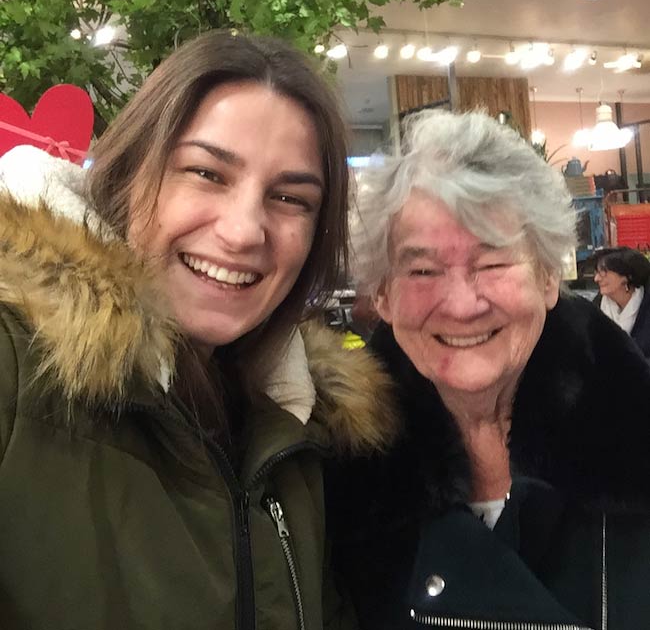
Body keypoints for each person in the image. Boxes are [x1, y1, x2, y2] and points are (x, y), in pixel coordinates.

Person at [0, 31, 397, 629]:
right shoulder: (14, 360)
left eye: (290, 197)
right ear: (129, 175)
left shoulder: (297, 426)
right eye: (207, 173)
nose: (244, 231)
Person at [327, 109, 650, 630]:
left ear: (549, 277)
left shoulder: (633, 446)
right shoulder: (335, 485)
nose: (461, 304)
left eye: (493, 262)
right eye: (423, 270)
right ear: (382, 297)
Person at [592, 246, 650, 359]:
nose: (596, 278)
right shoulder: (596, 307)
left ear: (626, 277)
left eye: (603, 273)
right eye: (596, 273)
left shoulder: (646, 306)